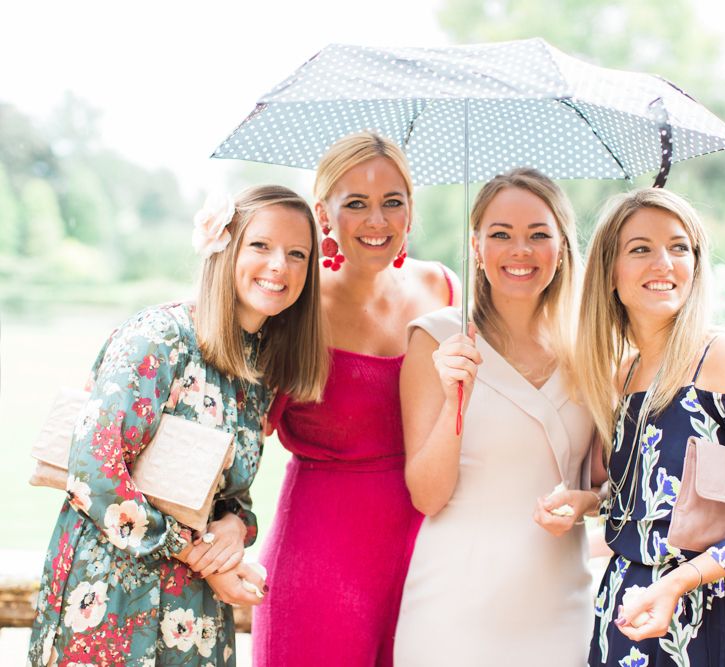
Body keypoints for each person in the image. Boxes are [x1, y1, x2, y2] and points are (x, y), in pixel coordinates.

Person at [27, 185, 328, 667]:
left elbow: (226, 491)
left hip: (195, 613)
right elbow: (94, 471)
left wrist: (235, 526)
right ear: (224, 245)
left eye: (298, 254)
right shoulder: (161, 338)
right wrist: (197, 555)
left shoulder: (260, 368)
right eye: (261, 246)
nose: (280, 267)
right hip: (110, 603)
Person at [252, 132, 460, 666]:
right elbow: (234, 424)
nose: (377, 220)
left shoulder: (445, 291)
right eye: (356, 204)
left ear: (411, 213)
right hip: (320, 559)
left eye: (393, 202)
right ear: (324, 214)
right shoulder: (292, 301)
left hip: (431, 555)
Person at [394, 168, 603, 666]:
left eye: (538, 235)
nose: (520, 250)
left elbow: (607, 482)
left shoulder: (590, 350)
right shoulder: (436, 338)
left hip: (560, 603)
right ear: (476, 245)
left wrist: (584, 502)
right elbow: (427, 495)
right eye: (501, 234)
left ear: (562, 245)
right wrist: (452, 400)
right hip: (455, 607)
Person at [576, 188, 725, 666]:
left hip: (705, 611)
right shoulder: (619, 376)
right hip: (624, 613)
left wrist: (678, 582)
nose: (664, 262)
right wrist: (589, 500)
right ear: (609, 273)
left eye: (679, 247)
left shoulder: (720, 362)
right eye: (640, 248)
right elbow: (652, 499)